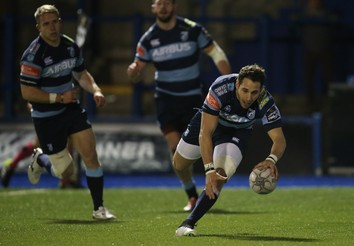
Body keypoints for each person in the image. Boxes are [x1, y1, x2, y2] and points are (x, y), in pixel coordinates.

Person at [127, 0, 231, 211]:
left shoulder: (192, 29)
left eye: (167, 3)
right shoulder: (148, 39)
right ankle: (191, 194)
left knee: (204, 145)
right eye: (159, 3)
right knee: (177, 151)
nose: (163, 7)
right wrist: (133, 72)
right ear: (153, 8)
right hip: (166, 100)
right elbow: (137, 70)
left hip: (194, 99)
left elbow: (216, 53)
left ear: (174, 6)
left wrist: (229, 81)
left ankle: (209, 188)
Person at [19, 4, 115, 220]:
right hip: (46, 117)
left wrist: (96, 90)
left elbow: (81, 74)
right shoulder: (33, 55)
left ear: (60, 22)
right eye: (46, 24)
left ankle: (98, 209)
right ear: (38, 27)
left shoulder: (70, 46)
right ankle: (41, 159)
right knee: (65, 172)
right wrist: (59, 97)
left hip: (71, 110)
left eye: (55, 22)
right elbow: (27, 92)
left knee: (91, 155)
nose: (52, 27)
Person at [173, 64, 286, 236]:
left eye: (254, 92)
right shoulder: (220, 88)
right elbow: (206, 133)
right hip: (210, 123)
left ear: (261, 90)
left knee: (220, 176)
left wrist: (271, 159)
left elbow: (279, 139)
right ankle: (190, 189)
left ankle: (188, 224)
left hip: (236, 132)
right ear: (237, 84)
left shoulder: (265, 100)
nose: (249, 97)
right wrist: (208, 169)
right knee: (179, 164)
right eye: (245, 90)